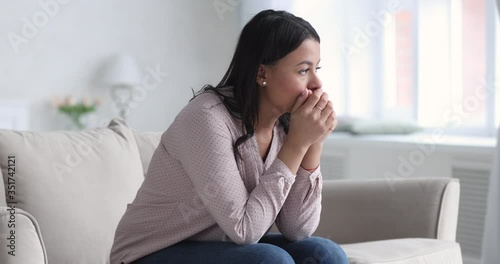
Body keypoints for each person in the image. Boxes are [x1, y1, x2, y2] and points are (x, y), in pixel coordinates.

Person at [110, 9, 348, 264]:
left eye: (316, 69)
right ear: (262, 74)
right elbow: (245, 231)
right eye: (303, 70)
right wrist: (297, 143)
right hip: (149, 252)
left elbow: (298, 229)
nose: (317, 83)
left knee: (325, 254)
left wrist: (313, 143)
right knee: (269, 260)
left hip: (220, 246)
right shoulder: (206, 118)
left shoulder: (285, 126)